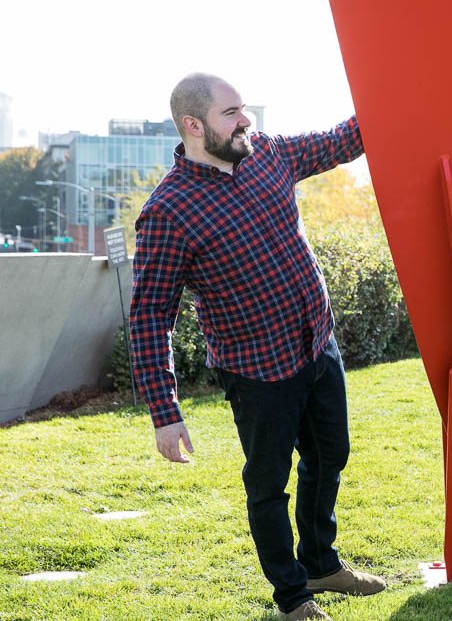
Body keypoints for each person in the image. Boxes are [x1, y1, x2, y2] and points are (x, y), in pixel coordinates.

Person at [129, 73, 385, 621]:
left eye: (243, 109)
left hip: (318, 346)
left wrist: (393, 93)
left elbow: (342, 140)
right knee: (268, 485)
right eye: (231, 113)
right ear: (194, 126)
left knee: (329, 457)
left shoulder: (269, 155)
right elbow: (150, 317)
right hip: (257, 373)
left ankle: (321, 562)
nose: (246, 121)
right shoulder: (169, 211)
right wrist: (164, 413)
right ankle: (293, 597)